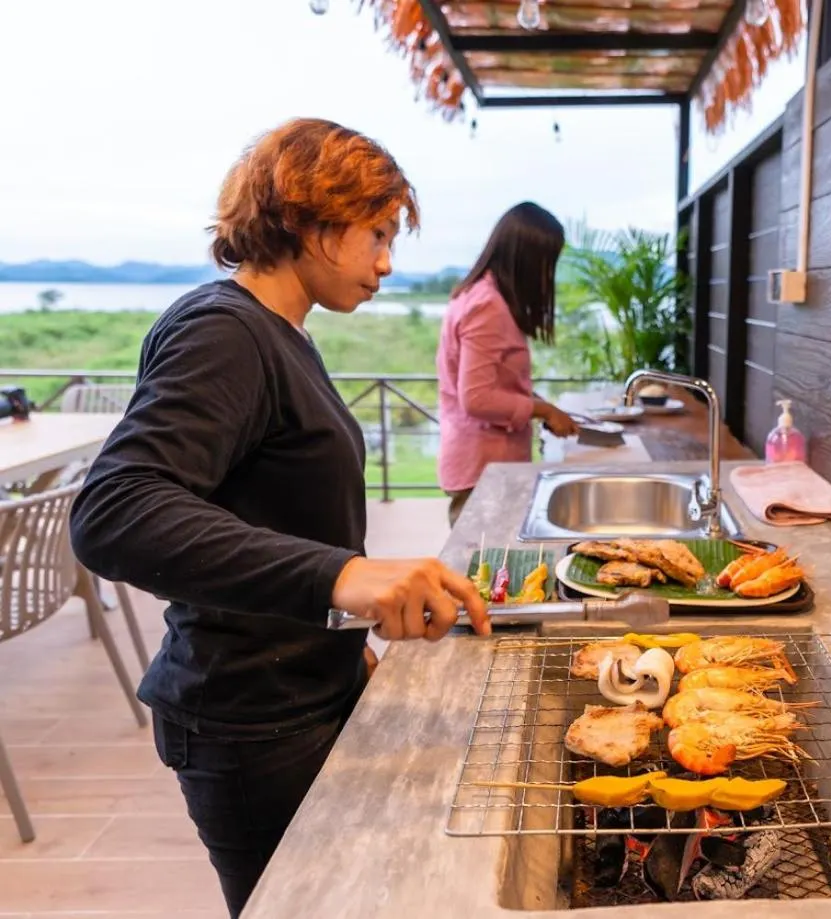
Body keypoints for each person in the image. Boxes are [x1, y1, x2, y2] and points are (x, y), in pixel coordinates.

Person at [68, 117, 491, 919]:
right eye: (375, 231)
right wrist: (343, 574)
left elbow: (273, 513)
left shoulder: (284, 334)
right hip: (250, 722)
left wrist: (343, 645)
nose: (387, 261)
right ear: (305, 219)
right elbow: (116, 508)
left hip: (299, 691)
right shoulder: (224, 331)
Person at [437, 201, 580, 526]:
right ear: (528, 259)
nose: (548, 273)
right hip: (484, 466)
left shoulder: (480, 296)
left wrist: (542, 405)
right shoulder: (488, 306)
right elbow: (477, 398)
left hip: (485, 464)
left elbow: (494, 384)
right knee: (485, 570)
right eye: (547, 262)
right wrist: (543, 411)